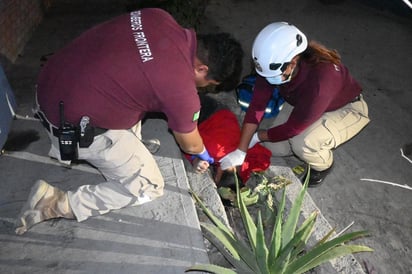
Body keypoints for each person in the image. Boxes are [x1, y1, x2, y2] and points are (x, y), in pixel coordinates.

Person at [15, 8, 243, 235]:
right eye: (207, 83)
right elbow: (190, 144)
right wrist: (202, 151)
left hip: (49, 89)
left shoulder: (157, 16)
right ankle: (53, 203)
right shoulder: (180, 89)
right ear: (201, 68)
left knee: (139, 87)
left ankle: (130, 148)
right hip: (70, 126)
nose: (202, 88)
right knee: (149, 186)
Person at [219, 22, 370, 187]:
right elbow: (257, 106)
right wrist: (241, 150)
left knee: (303, 143)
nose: (268, 80)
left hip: (346, 109)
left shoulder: (322, 80)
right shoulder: (274, 64)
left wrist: (257, 136)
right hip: (307, 104)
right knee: (274, 148)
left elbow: (293, 128)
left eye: (273, 76)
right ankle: (299, 144)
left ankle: (322, 166)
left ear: (293, 63)